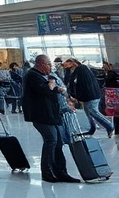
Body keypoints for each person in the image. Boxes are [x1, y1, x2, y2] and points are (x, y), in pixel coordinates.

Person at [23, 55, 80, 183]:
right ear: (41, 64)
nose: (50, 67)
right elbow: (46, 90)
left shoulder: (48, 75)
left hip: (54, 114)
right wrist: (52, 84)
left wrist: (58, 88)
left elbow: (57, 89)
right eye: (48, 64)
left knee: (59, 142)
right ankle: (47, 172)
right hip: (41, 115)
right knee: (51, 140)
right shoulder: (32, 75)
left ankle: (61, 172)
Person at [63, 57, 114, 137]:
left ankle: (109, 126)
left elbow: (79, 84)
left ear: (72, 62)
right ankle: (92, 128)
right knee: (89, 113)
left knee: (93, 112)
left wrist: (76, 95)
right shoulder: (77, 70)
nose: (65, 66)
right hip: (89, 95)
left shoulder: (81, 70)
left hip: (90, 96)